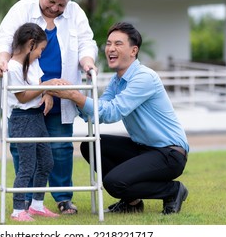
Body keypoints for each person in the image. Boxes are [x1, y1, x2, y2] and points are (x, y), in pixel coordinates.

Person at [48, 22, 189, 215]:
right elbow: (98, 113)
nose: (111, 49)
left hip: (169, 153)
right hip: (143, 149)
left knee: (114, 184)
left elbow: (112, 112)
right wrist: (72, 92)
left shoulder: (144, 78)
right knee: (91, 145)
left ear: (134, 50)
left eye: (118, 44)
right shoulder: (117, 80)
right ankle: (132, 202)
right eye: (108, 43)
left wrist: (75, 96)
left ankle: (173, 191)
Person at [0, 0, 98, 214]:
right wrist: (2, 60)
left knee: (59, 148)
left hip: (61, 92)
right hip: (27, 95)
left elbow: (86, 43)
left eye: (62, 4)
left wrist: (87, 62)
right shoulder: (21, 9)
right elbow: (4, 40)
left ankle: (63, 199)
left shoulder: (76, 13)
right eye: (51, 1)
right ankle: (25, 202)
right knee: (24, 148)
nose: (55, 8)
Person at [7, 23, 59, 222]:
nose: (40, 54)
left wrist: (47, 91)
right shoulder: (13, 67)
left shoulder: (31, 65)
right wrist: (46, 86)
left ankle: (37, 204)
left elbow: (38, 87)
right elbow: (22, 97)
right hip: (22, 119)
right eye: (40, 50)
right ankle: (18, 209)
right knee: (27, 166)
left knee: (47, 162)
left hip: (37, 117)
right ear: (30, 44)